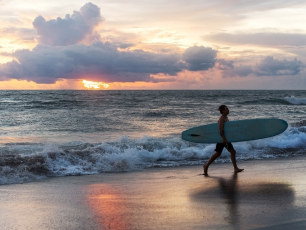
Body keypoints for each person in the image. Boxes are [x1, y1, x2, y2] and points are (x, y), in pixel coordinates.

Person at [203, 105, 244, 175]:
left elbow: (227, 129)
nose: (228, 110)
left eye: (228, 108)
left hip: (225, 138)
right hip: (223, 138)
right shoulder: (222, 119)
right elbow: (220, 130)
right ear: (223, 111)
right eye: (226, 109)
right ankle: (206, 165)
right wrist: (224, 139)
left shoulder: (226, 118)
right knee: (230, 152)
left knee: (220, 153)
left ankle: (235, 168)